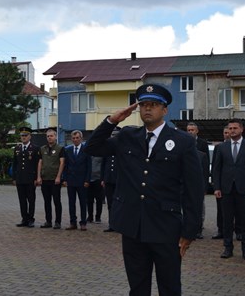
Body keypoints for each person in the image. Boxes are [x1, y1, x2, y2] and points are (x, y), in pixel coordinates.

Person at [84, 84, 204, 296]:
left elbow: (194, 190)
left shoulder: (183, 141)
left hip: (166, 227)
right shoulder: (127, 136)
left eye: (154, 105)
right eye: (143, 105)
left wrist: (189, 231)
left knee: (170, 287)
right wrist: (112, 121)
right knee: (138, 287)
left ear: (164, 110)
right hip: (133, 227)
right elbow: (91, 148)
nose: (147, 109)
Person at [213, 118, 245, 260]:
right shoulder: (221, 147)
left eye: (235, 128)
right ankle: (228, 248)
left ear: (241, 129)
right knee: (227, 221)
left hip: (244, 190)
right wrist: (217, 187)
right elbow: (216, 169)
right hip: (226, 190)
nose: (232, 131)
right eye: (230, 128)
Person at [12, 126, 41, 228]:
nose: (23, 137)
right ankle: (24, 219)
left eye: (25, 135)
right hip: (20, 178)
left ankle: (31, 219)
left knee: (31, 199)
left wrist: (37, 177)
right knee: (22, 200)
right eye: (22, 135)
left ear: (30, 136)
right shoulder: (17, 148)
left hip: (30, 179)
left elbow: (38, 164)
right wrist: (14, 178)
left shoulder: (35, 148)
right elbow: (15, 164)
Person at [63, 130, 91, 231]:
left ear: (81, 139)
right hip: (71, 180)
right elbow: (66, 166)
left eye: (77, 138)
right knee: (71, 202)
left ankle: (83, 222)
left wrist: (87, 180)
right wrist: (65, 178)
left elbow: (89, 166)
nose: (75, 140)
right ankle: (72, 222)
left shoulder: (86, 150)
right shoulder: (68, 150)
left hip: (82, 180)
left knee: (83, 202)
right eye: (73, 138)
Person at [36, 128, 65, 229]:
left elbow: (62, 163)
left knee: (57, 201)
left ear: (55, 137)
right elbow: (40, 162)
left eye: (51, 136)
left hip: (55, 179)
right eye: (48, 136)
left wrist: (58, 177)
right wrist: (38, 176)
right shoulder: (42, 149)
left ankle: (58, 222)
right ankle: (48, 221)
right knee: (46, 201)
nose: (49, 138)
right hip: (45, 179)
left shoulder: (60, 149)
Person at [187, 122, 210, 239]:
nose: (190, 132)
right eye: (188, 130)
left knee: (199, 207)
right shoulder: (183, 142)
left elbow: (206, 168)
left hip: (199, 182)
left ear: (197, 131)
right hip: (186, 182)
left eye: (192, 130)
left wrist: (205, 186)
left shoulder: (203, 145)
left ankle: (199, 229)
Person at [211, 126, 231, 239]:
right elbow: (215, 166)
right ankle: (221, 230)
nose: (227, 134)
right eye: (225, 132)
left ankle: (238, 231)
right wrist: (215, 183)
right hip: (222, 184)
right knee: (221, 209)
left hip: (235, 183)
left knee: (237, 210)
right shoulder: (218, 147)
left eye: (229, 132)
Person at [103, 127, 120, 232]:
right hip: (109, 179)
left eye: (115, 135)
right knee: (110, 203)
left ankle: (119, 224)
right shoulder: (108, 149)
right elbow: (104, 165)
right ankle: (111, 224)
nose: (113, 137)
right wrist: (103, 178)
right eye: (112, 135)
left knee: (118, 203)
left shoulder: (122, 149)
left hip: (118, 180)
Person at [87, 155, 105, 224]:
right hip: (89, 179)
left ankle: (98, 217)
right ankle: (90, 216)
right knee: (89, 200)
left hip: (98, 179)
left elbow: (103, 166)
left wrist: (102, 178)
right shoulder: (88, 153)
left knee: (99, 199)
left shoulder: (101, 154)